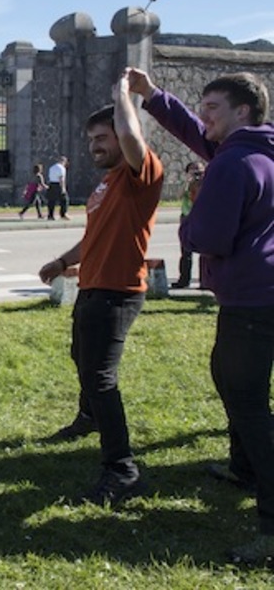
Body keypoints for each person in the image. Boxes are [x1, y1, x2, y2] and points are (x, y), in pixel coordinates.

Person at [129, 68, 274, 565]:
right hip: (263, 296)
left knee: (249, 403)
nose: (203, 115)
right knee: (232, 381)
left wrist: (189, 223)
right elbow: (198, 132)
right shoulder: (258, 150)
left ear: (244, 112)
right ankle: (244, 469)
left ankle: (271, 524)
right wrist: (152, 96)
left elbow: (209, 237)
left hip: (251, 301)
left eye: (213, 107)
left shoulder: (231, 165)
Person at [39, 68, 163, 506]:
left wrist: (124, 95)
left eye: (103, 137)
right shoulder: (106, 183)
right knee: (82, 358)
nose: (96, 145)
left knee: (101, 376)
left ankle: (122, 471)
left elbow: (132, 138)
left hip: (118, 292)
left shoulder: (141, 172)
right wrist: (62, 262)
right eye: (91, 139)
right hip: (92, 286)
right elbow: (92, 238)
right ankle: (88, 416)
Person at [171, 160, 205, 288]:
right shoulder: (187, 185)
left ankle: (204, 281)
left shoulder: (207, 183)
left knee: (205, 253)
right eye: (194, 171)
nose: (197, 174)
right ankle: (184, 280)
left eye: (200, 171)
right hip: (187, 217)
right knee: (186, 252)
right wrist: (188, 182)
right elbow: (178, 195)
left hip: (202, 217)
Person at [46, 155, 70, 220]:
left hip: (51, 184)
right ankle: (63, 214)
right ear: (63, 161)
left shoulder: (52, 167)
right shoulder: (62, 168)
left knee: (51, 201)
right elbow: (61, 178)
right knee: (65, 200)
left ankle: (50, 215)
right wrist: (63, 188)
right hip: (58, 185)